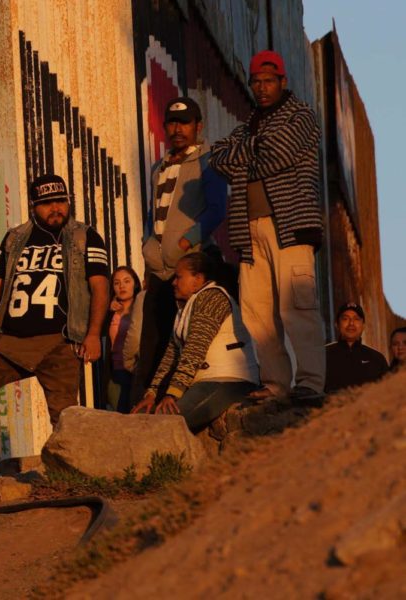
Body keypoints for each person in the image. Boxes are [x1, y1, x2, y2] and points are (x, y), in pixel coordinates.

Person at [0, 173, 109, 485]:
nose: (55, 208)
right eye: (46, 204)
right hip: (11, 339)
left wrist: (94, 333)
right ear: (33, 206)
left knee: (65, 415)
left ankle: (66, 475)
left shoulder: (85, 237)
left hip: (60, 340)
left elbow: (100, 286)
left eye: (60, 201)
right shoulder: (16, 238)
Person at [210, 50, 326, 405]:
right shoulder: (249, 125)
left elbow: (277, 154)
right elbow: (217, 157)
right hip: (250, 231)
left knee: (297, 307)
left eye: (268, 81)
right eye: (256, 82)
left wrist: (243, 156)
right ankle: (276, 383)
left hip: (290, 227)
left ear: (282, 81)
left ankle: (310, 383)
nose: (261, 88)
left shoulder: (301, 116)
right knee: (258, 312)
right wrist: (252, 151)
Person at [133, 97, 227, 406]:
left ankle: (177, 401)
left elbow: (216, 209)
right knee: (152, 341)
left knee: (188, 340)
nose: (177, 129)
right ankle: (142, 403)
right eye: (172, 123)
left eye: (184, 122)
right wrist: (148, 249)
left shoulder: (207, 160)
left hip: (192, 268)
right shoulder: (158, 167)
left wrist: (187, 241)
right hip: (160, 269)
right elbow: (153, 214)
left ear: (198, 126)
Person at [132, 252, 259, 432]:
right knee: (143, 415)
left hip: (229, 381)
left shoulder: (212, 298)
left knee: (167, 422)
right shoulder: (185, 306)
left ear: (197, 279)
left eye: (179, 277)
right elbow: (171, 354)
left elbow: (194, 350)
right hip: (204, 382)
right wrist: (152, 393)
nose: (173, 282)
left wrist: (172, 394)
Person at [99, 266, 141, 413]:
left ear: (135, 284)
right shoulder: (110, 312)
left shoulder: (141, 309)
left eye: (126, 281)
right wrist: (107, 310)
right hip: (115, 372)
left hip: (135, 372)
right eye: (117, 283)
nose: (122, 286)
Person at [324, 303, 388, 394]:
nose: (351, 323)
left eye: (356, 319)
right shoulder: (322, 356)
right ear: (337, 324)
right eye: (345, 319)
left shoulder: (377, 359)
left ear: (363, 325)